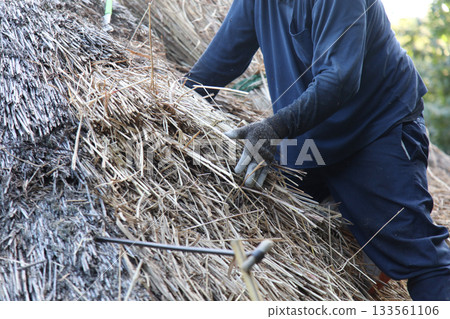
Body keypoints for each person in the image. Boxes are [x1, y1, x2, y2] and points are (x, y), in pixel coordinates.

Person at [183, 0, 450, 300]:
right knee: (254, 190)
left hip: (375, 130)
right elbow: (220, 61)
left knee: (416, 255)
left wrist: (275, 128)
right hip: (310, 136)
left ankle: (370, 232)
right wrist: (175, 107)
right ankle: (345, 211)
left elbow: (340, 78)